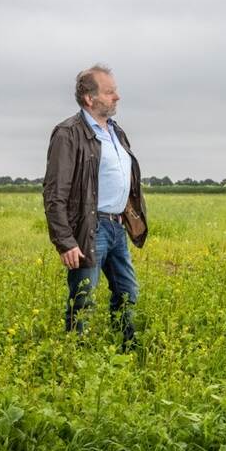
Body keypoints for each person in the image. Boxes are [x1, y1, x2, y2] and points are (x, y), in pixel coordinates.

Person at [43, 64, 148, 351]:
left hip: (116, 227)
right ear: (90, 98)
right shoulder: (68, 133)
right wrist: (65, 242)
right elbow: (54, 193)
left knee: (128, 292)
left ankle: (126, 352)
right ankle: (76, 359)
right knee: (83, 297)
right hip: (90, 229)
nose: (117, 97)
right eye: (110, 92)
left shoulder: (116, 132)